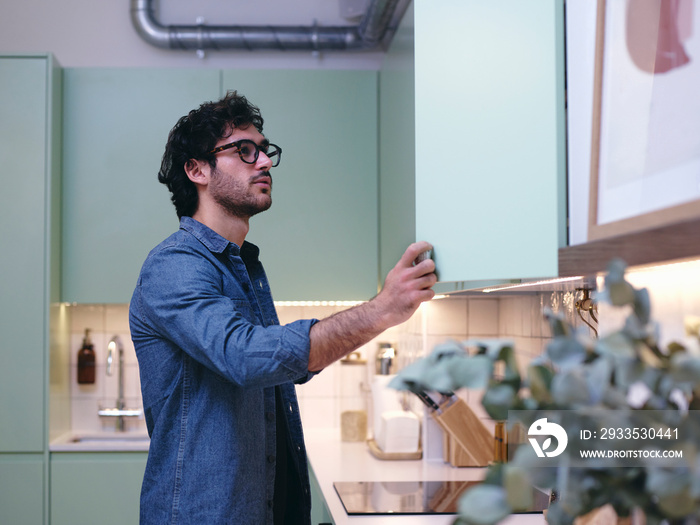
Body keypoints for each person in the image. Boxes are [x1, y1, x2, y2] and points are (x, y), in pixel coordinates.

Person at [129, 91, 436, 524]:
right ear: (197, 169)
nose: (265, 162)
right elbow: (247, 357)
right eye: (244, 151)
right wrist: (382, 309)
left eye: (265, 151)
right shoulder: (173, 265)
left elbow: (279, 365)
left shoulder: (243, 266)